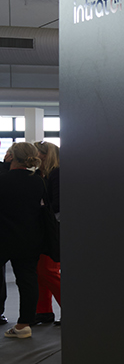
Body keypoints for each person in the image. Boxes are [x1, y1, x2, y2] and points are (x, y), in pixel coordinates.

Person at [1, 143, 50, 340]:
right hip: (29, 237)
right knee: (28, 280)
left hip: (3, 236)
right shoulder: (38, 181)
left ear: (11, 157)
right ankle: (24, 325)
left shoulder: (3, 179)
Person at [33, 141, 60, 326]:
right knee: (41, 271)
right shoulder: (41, 174)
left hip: (53, 228)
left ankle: (71, 309)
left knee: (48, 271)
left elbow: (57, 203)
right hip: (44, 227)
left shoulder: (56, 174)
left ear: (44, 155)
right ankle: (43, 311)